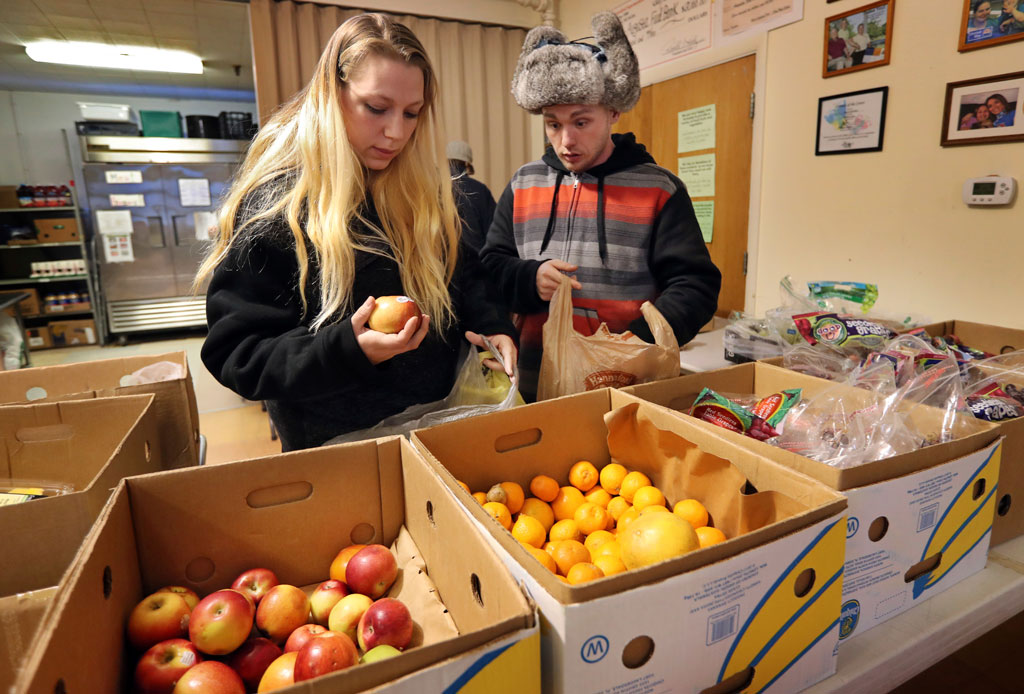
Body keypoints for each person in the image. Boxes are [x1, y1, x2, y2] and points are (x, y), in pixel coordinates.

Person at [197, 14, 517, 451]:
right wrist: (347, 349)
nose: (396, 133)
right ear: (333, 94)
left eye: (412, 114)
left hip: (438, 427)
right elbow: (238, 355)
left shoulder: (423, 194)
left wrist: (491, 324)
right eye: (376, 108)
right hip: (340, 450)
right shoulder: (276, 209)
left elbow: (466, 276)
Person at [480, 12, 721, 402]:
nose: (565, 141)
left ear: (613, 112)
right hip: (532, 383)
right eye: (553, 124)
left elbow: (696, 286)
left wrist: (635, 347)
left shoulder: (659, 189)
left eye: (581, 122)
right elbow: (490, 265)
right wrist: (530, 278)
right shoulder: (524, 184)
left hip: (624, 386)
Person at [447, 140, 497, 252]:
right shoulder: (480, 190)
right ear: (466, 164)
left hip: (444, 261)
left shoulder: (435, 190)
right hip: (476, 260)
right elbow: (493, 229)